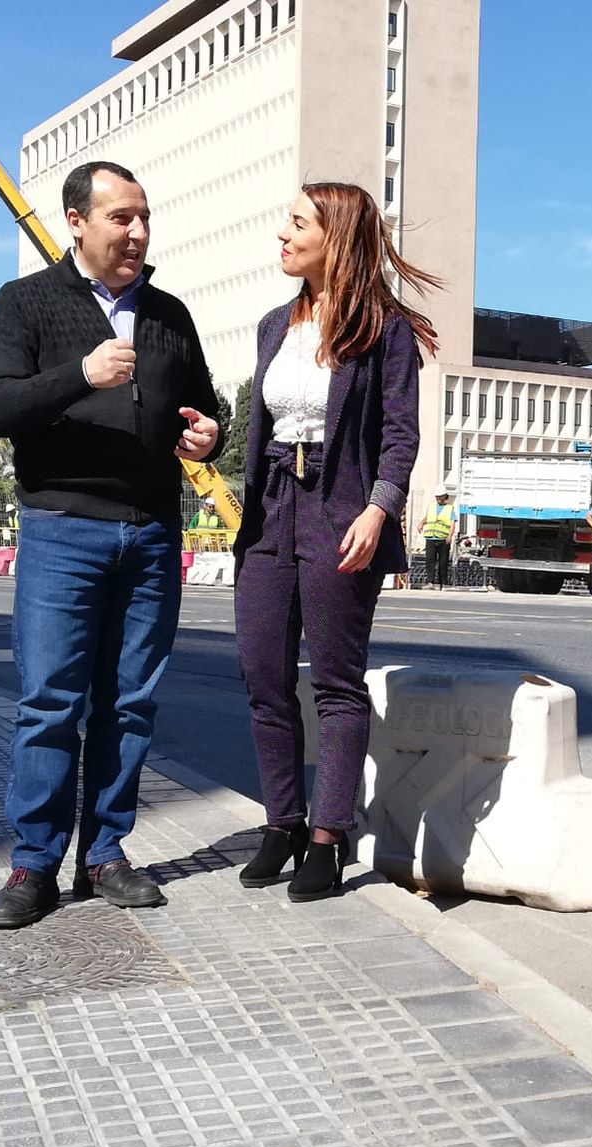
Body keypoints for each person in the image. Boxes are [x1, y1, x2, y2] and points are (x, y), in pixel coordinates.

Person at [0, 160, 222, 929]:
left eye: (144, 217)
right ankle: (33, 863)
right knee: (50, 700)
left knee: (131, 703)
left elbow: (202, 408)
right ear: (76, 221)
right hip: (62, 528)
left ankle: (106, 853)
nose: (138, 232)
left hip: (151, 532)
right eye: (122, 218)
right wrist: (80, 373)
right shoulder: (26, 303)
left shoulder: (170, 313)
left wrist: (209, 437)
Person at [232, 181, 438, 902]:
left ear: (337, 236)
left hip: (340, 506)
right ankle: (282, 822)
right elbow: (261, 428)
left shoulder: (384, 330)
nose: (281, 235)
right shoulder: (271, 326)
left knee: (336, 683)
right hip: (269, 509)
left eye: (295, 223)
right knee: (262, 673)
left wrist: (379, 510)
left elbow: (400, 436)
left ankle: (328, 833)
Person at [419, 484, 455, 589]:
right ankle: (430, 582)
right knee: (430, 561)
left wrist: (450, 536)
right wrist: (421, 523)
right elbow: (428, 517)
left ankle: (442, 583)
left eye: (440, 496)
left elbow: (452, 523)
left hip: (443, 539)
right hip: (431, 538)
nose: (438, 498)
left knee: (443, 563)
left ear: (445, 496)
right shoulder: (431, 507)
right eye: (437, 497)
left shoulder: (449, 508)